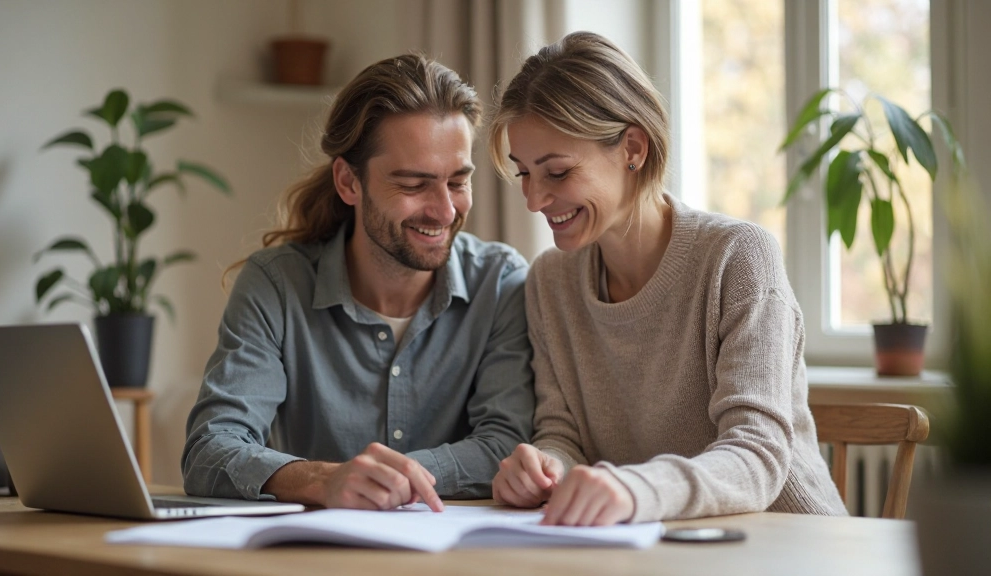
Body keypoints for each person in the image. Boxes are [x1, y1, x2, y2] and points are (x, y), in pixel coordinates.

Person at [487, 31, 847, 526]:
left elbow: (758, 458)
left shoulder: (738, 256)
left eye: (558, 172)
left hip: (789, 543)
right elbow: (561, 432)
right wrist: (548, 467)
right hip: (660, 547)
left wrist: (635, 489)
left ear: (632, 147)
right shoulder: (550, 282)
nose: (533, 200)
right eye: (524, 172)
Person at [183, 54, 534, 512]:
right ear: (349, 182)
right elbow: (210, 451)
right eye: (414, 184)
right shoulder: (274, 285)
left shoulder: (501, 283)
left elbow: (506, 444)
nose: (446, 211)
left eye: (457, 181)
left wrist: (393, 479)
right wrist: (323, 479)